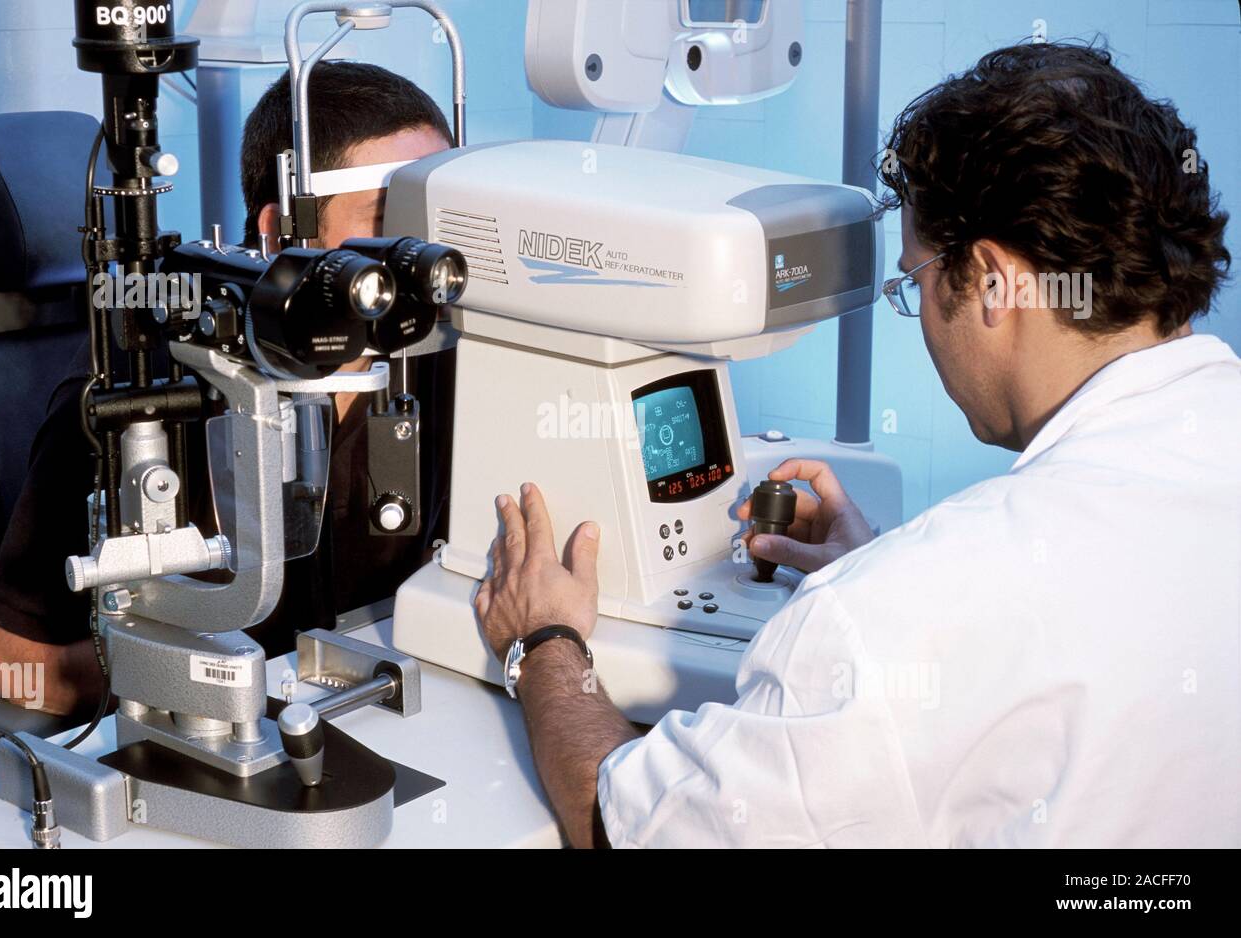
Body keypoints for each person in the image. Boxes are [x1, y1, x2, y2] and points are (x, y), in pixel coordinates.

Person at [474, 42, 1239, 847]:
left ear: (988, 278)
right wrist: (883, 579)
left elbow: (618, 822)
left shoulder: (895, 619)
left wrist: (545, 640)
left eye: (915, 282)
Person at [0, 62, 455, 718]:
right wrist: (191, 680)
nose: (418, 256)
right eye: (388, 216)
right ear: (282, 229)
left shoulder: (438, 365)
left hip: (385, 710)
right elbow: (17, 671)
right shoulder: (137, 392)